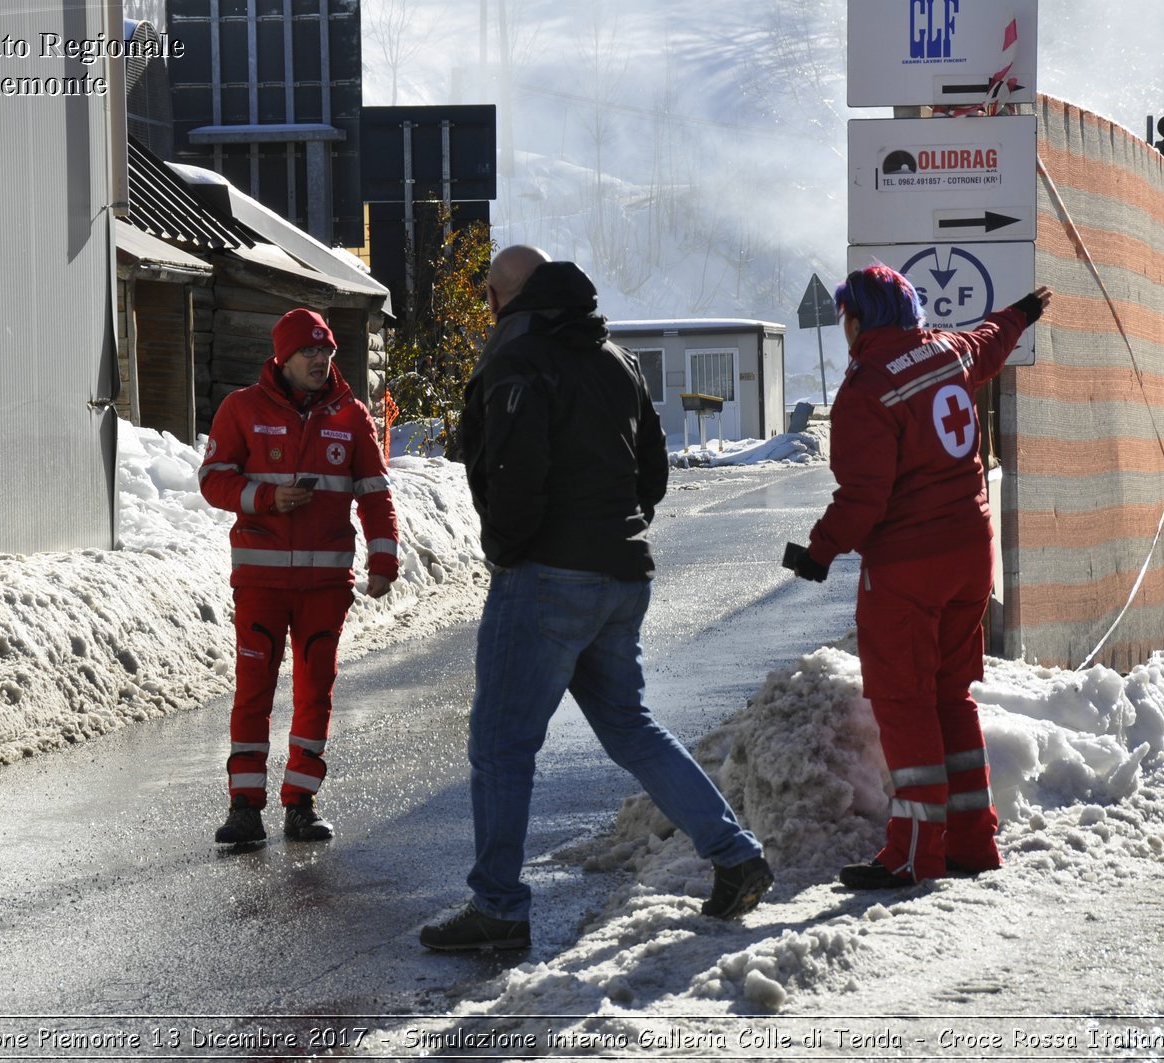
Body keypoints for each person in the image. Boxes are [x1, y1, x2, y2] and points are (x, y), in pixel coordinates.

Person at [418, 246, 773, 952]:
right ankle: (736, 854)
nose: (487, 306)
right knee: (630, 726)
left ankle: (498, 907)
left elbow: (517, 475)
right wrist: (613, 528)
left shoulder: (520, 359)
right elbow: (654, 470)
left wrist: (509, 552)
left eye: (489, 294)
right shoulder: (614, 354)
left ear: (505, 296)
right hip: (621, 569)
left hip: (548, 574)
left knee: (501, 744)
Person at [787, 264, 1051, 889]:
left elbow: (864, 498)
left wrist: (819, 553)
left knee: (906, 703)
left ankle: (911, 854)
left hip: (909, 567)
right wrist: (1020, 313)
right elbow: (988, 339)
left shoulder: (864, 389)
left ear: (857, 320)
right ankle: (972, 842)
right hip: (969, 554)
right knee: (948, 697)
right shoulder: (946, 352)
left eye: (847, 316)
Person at [198, 308, 399, 845]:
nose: (319, 359)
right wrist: (267, 498)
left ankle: (301, 805)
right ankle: (244, 807)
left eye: (326, 350)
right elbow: (213, 481)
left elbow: (376, 496)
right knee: (253, 692)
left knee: (316, 693)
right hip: (261, 584)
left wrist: (384, 559)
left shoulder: (351, 415)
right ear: (283, 357)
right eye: (309, 351)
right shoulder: (241, 409)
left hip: (325, 588)